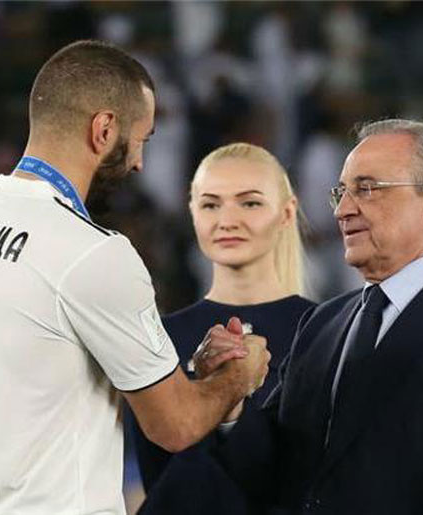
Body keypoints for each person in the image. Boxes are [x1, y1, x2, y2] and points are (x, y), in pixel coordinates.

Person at [0, 40, 269, 515]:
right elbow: (176, 425)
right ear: (103, 129)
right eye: (141, 140)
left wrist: (189, 376)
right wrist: (239, 375)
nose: (139, 162)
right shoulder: (91, 252)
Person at [205, 119, 423, 514]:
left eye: (367, 189)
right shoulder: (322, 324)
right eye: (341, 193)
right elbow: (269, 473)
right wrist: (228, 399)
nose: (343, 210)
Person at [134, 143, 315, 503]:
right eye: (211, 204)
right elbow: (158, 481)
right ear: (192, 212)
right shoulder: (158, 336)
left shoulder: (328, 331)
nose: (227, 220)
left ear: (286, 213)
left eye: (249, 203)